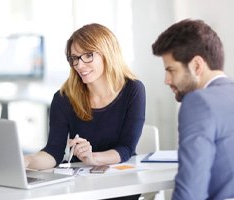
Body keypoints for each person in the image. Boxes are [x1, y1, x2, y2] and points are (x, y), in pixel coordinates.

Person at [25, 23, 145, 199]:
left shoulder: (133, 89)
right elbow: (54, 152)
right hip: (80, 188)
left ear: (107, 53)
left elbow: (126, 148)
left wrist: (93, 158)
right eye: (75, 58)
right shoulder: (63, 98)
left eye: (88, 55)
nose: (79, 65)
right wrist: (27, 161)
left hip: (121, 185)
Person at [152, 19, 234, 200]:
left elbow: (190, 193)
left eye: (171, 70)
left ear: (197, 66)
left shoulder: (198, 102)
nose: (166, 80)